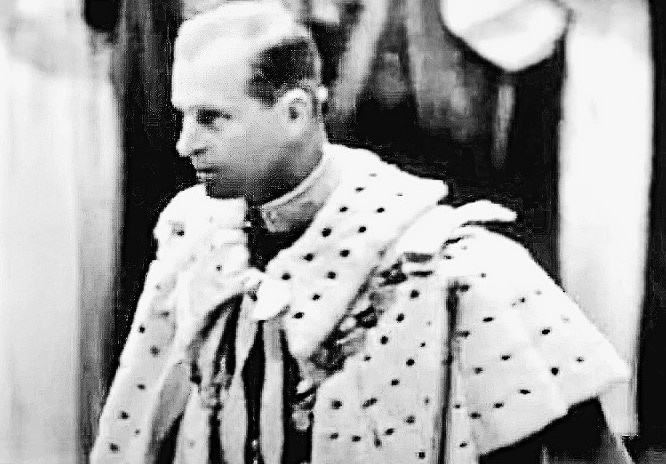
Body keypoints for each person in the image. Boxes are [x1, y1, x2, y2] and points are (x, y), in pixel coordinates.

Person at [91, 2, 633, 463]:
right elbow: (132, 433)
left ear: (294, 114)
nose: (185, 144)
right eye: (182, 116)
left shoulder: (460, 268)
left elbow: (589, 449)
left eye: (211, 119)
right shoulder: (193, 243)